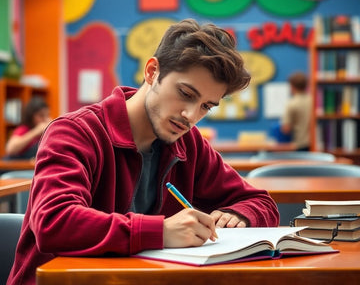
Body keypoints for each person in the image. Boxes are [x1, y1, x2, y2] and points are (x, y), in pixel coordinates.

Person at [8, 19, 279, 285]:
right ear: (152, 72)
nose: (190, 116)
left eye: (206, 106)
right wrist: (160, 231)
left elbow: (261, 203)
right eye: (185, 93)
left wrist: (240, 215)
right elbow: (54, 222)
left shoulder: (188, 142)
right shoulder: (75, 132)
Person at [280, 71, 312, 151]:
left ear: (292, 86)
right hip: (315, 143)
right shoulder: (314, 101)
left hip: (300, 144)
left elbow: (286, 129)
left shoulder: (292, 104)